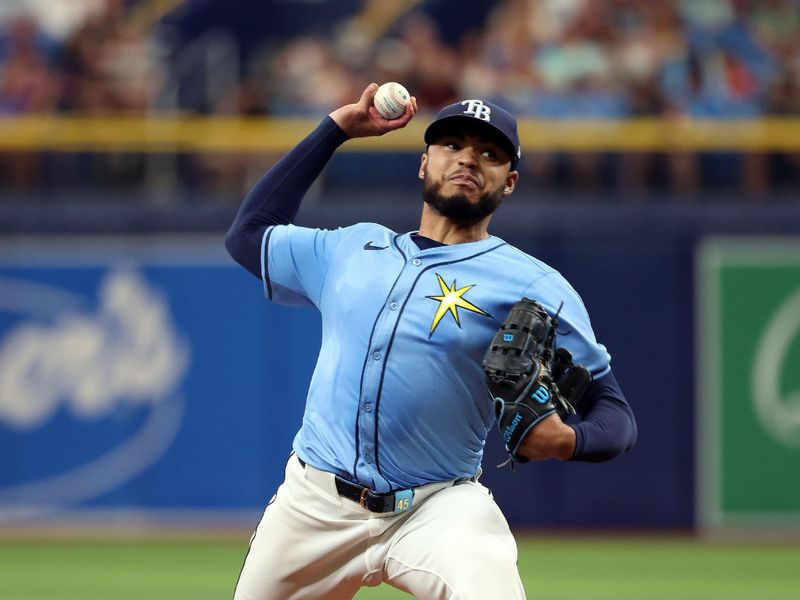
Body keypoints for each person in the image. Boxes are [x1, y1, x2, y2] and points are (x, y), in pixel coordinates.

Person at [225, 83, 637, 600]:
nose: (468, 159)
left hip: (438, 506)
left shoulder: (534, 285)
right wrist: (335, 131)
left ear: (508, 183)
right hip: (313, 505)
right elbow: (248, 234)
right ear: (424, 163)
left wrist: (566, 440)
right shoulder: (351, 249)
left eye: (489, 154)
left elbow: (615, 414)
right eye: (453, 145)